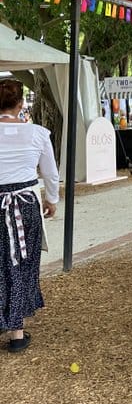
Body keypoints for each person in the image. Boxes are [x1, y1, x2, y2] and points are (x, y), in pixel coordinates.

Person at [0, 79, 59, 353]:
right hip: (25, 205)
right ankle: (16, 332)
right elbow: (50, 173)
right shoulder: (38, 133)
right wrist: (52, 199)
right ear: (21, 104)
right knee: (21, 263)